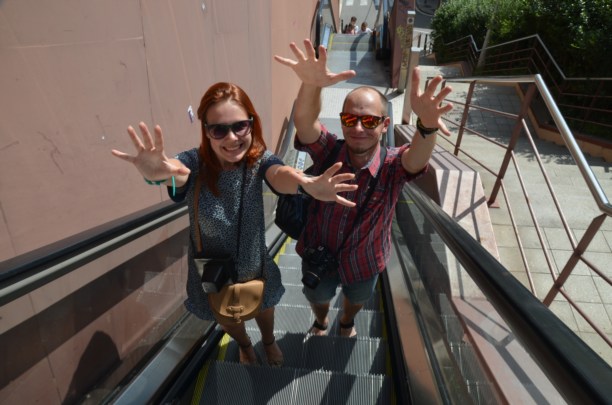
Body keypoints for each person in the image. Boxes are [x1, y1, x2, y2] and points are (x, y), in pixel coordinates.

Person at [111, 82, 357, 365]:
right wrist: (159, 174)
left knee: (264, 305)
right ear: (206, 131)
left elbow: (279, 174)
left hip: (254, 264)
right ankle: (245, 346)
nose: (231, 138)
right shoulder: (195, 162)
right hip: (213, 269)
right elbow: (177, 173)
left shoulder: (258, 159)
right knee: (226, 315)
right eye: (219, 130)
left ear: (252, 124)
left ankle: (268, 342)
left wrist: (305, 184)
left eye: (240, 126)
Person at [274, 40, 453, 338]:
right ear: (342, 121)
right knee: (317, 296)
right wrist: (311, 85)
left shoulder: (391, 167)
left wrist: (427, 126)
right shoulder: (330, 151)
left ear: (384, 125)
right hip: (318, 254)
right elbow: (305, 123)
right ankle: (321, 322)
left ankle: (346, 322)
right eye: (350, 119)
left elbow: (416, 159)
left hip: (365, 262)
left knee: (356, 299)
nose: (358, 128)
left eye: (369, 121)